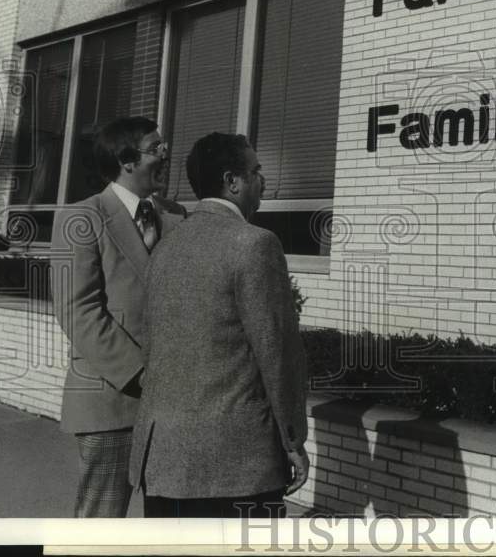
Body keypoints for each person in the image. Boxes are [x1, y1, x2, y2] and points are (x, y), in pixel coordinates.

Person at [129, 132, 309, 517]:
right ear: (233, 182)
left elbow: (151, 344)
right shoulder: (256, 244)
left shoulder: (165, 247)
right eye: (256, 171)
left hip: (161, 460)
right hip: (234, 465)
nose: (263, 181)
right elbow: (277, 353)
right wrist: (293, 438)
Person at [51, 116, 184, 517]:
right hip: (113, 397)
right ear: (126, 160)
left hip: (176, 404)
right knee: (101, 523)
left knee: (170, 523)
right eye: (156, 147)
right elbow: (78, 310)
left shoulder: (177, 216)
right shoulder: (81, 217)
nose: (166, 154)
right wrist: (142, 374)